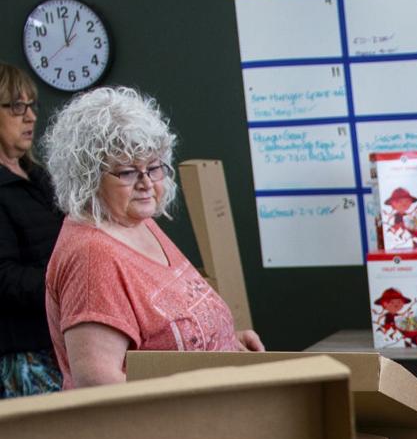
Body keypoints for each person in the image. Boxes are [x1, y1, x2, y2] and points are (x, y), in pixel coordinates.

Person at [41, 86, 263, 389]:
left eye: (154, 167)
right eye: (128, 172)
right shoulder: (93, 256)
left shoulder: (136, 222)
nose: (146, 183)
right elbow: (97, 380)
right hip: (154, 432)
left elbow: (167, 336)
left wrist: (224, 346)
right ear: (88, 176)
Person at [0, 63, 62, 397]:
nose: (30, 116)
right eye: (15, 107)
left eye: (31, 105)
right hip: (22, 357)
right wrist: (66, 283)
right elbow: (4, 277)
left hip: (58, 342)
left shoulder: (39, 178)